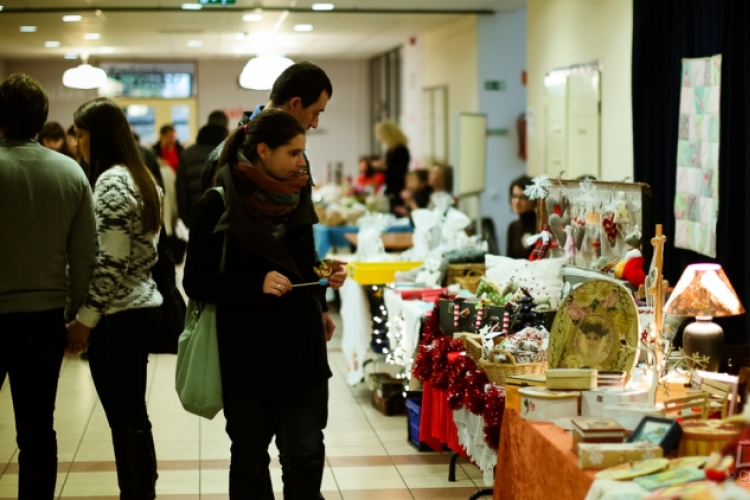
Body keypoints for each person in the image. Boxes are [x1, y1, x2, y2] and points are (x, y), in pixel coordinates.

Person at [183, 109, 347, 498]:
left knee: (306, 453)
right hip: (247, 353)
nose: (301, 162)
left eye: (303, 153)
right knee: (251, 458)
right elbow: (196, 281)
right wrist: (254, 283)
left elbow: (302, 261)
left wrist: (324, 278)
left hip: (301, 348)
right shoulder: (217, 203)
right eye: (292, 153)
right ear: (262, 150)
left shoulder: (299, 193)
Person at [0, 73, 96, 499]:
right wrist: (77, 317)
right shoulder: (70, 172)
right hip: (42, 319)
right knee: (38, 427)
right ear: (43, 120)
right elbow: (84, 255)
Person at [66, 97, 164, 499]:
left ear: (99, 137)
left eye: (82, 135)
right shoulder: (142, 177)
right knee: (135, 416)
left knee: (123, 421)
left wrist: (85, 320)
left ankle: (136, 493)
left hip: (118, 316)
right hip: (141, 309)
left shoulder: (111, 182)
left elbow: (111, 261)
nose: (77, 144)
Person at [201, 60, 333, 192]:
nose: (315, 124)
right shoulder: (225, 157)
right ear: (295, 104)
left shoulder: (299, 161)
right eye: (315, 113)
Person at [176, 110, 229, 227]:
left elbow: (181, 192)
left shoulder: (188, 154)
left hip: (196, 218)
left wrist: (187, 220)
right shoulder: (230, 152)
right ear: (226, 126)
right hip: (224, 220)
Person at [374, 120, 410, 212]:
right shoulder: (390, 150)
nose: (379, 138)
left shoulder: (401, 150)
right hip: (389, 186)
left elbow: (399, 171)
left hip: (397, 188)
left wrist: (384, 167)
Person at [506, 175, 537, 259]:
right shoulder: (513, 227)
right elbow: (509, 260)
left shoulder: (540, 225)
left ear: (533, 200)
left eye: (522, 197)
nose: (517, 201)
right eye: (514, 196)